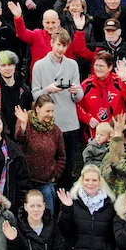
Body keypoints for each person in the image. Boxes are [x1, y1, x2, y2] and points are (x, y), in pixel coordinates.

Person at [31, 31, 85, 185]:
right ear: (52, 43)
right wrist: (48, 89)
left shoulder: (72, 64)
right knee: (49, 165)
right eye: (59, 44)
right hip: (48, 124)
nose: (61, 49)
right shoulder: (39, 65)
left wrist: (76, 92)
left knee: (67, 167)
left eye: (65, 45)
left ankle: (66, 203)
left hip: (69, 123)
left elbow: (79, 95)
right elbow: (35, 95)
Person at [17, 95, 67, 210]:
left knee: (49, 215)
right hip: (26, 182)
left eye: (52, 111)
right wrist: (23, 125)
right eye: (47, 111)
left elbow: (62, 156)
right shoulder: (26, 122)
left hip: (46, 183)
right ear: (38, 109)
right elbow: (19, 139)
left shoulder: (56, 131)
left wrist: (55, 174)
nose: (50, 114)